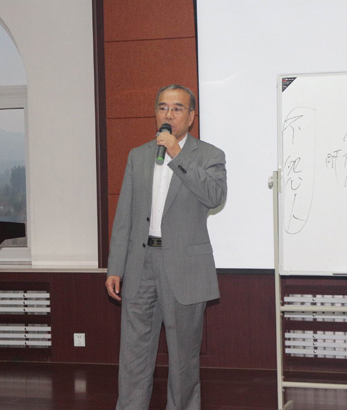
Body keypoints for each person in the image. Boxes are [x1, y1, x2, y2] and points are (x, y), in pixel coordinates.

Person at [105, 84, 227, 410]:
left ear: (191, 116)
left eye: (177, 108)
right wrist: (115, 267)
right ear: (155, 113)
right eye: (162, 107)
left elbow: (215, 196)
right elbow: (125, 215)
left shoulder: (210, 155)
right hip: (140, 264)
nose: (168, 114)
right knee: (133, 355)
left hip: (184, 268)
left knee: (183, 359)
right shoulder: (139, 155)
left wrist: (178, 155)